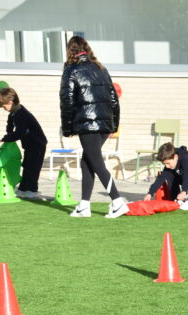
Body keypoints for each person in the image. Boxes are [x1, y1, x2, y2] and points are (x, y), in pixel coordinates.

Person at [60, 36, 128, 218]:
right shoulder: (101, 68)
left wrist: (68, 129)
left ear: (70, 51)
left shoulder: (71, 70)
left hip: (87, 123)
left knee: (96, 162)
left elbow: (67, 102)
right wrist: (113, 125)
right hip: (104, 124)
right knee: (87, 161)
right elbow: (114, 99)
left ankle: (117, 201)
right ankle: (84, 205)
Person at [0, 87, 48, 199]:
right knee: (27, 165)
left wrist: (6, 138)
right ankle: (23, 188)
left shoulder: (21, 114)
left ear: (10, 102)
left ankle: (32, 190)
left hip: (38, 143)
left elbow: (19, 133)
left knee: (33, 167)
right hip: (29, 144)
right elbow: (10, 126)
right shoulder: (13, 113)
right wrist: (8, 135)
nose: (4, 109)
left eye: (4, 106)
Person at [143, 143, 188, 210]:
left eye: (168, 163)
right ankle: (177, 200)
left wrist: (184, 191)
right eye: (164, 164)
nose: (166, 166)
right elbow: (160, 179)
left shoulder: (187, 160)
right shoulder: (169, 165)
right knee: (169, 175)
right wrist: (150, 193)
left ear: (175, 157)